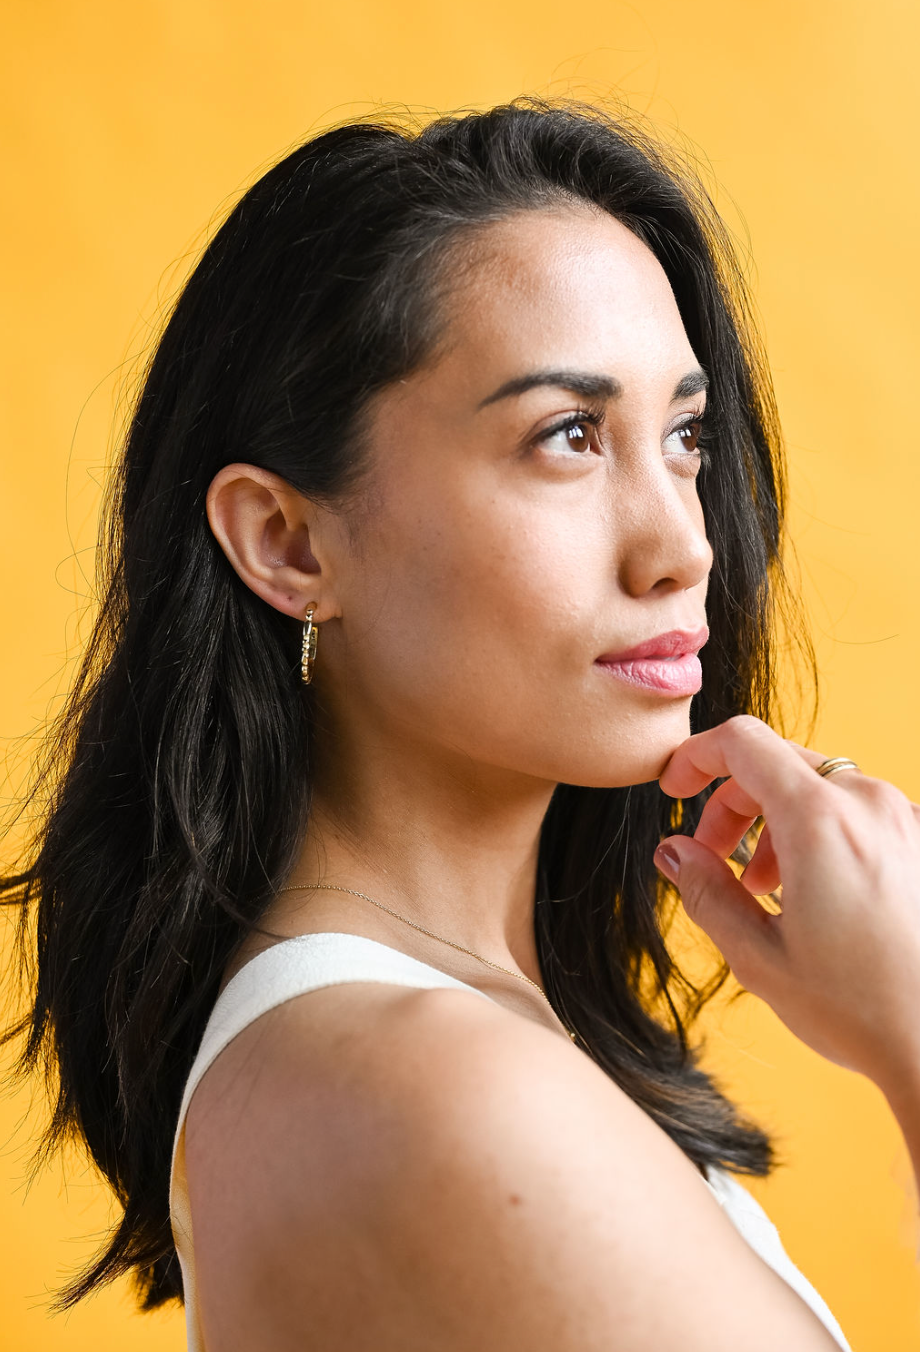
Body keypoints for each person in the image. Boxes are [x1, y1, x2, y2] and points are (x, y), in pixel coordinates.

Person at [3, 96, 919, 1351]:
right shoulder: (441, 1084)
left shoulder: (420, 1041)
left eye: (683, 435)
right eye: (566, 436)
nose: (681, 544)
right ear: (287, 542)